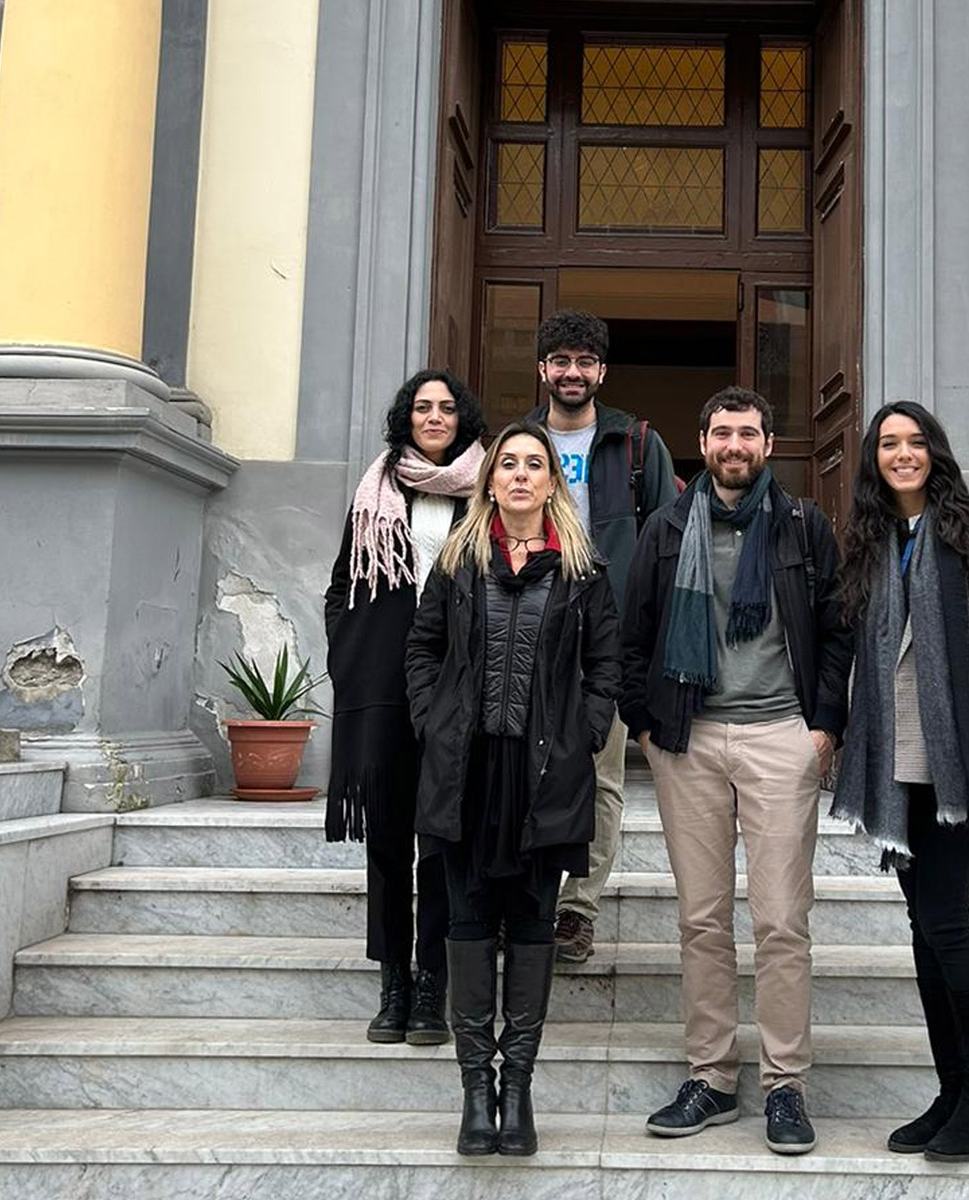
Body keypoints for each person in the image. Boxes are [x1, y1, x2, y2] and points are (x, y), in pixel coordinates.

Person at [621, 386, 851, 1156]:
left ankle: (786, 1085)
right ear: (703, 441)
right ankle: (712, 1078)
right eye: (722, 433)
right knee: (702, 920)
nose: (734, 446)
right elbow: (633, 635)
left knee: (781, 921)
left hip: (780, 736)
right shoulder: (666, 528)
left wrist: (823, 728)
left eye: (748, 434)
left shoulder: (802, 525)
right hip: (688, 741)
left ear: (767, 444)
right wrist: (646, 727)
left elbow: (837, 629)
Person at [405, 421, 621, 1157]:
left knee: (531, 924)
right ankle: (476, 1092)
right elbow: (423, 648)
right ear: (490, 481)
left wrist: (585, 734)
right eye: (509, 464)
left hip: (544, 775)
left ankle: (518, 1089)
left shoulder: (583, 571)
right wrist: (433, 721)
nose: (521, 475)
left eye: (535, 464)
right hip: (466, 772)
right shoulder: (458, 561)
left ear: (552, 482)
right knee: (467, 920)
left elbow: (606, 665)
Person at [829, 400, 969, 1163]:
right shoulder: (872, 543)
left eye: (916, 442)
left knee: (947, 922)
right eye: (889, 444)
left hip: (960, 765)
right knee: (925, 928)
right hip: (896, 765)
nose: (903, 454)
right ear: (874, 460)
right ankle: (953, 1092)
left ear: (935, 453)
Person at [324, 368, 486, 1045]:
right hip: (384, 687)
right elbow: (342, 584)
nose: (435, 417)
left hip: (456, 685)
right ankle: (393, 982)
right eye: (423, 407)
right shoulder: (377, 490)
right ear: (407, 418)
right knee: (388, 840)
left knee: (441, 840)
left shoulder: (484, 492)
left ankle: (431, 986)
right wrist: (348, 657)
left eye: (447, 407)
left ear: (462, 418)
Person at [526, 309, 678, 965]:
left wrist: (651, 637)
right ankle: (527, 898)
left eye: (584, 362)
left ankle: (577, 909)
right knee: (522, 769)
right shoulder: (519, 441)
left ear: (602, 371)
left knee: (601, 777)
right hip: (527, 629)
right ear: (543, 369)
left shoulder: (635, 442)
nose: (572, 372)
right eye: (561, 361)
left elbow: (670, 543)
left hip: (606, 636)